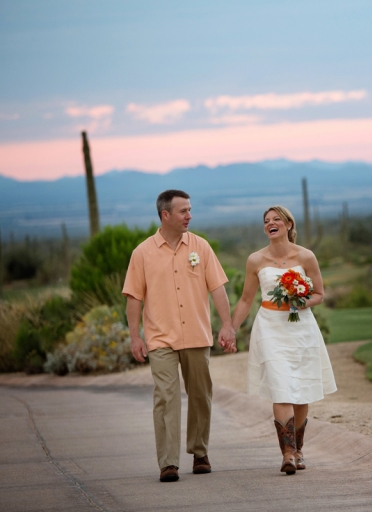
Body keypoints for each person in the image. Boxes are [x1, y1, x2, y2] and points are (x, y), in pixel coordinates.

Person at [123, 189, 237, 483]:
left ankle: (200, 453)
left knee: (201, 396)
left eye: (189, 210)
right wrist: (135, 336)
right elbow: (134, 298)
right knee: (165, 398)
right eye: (183, 211)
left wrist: (227, 325)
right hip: (160, 338)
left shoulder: (201, 246)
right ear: (165, 215)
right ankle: (168, 463)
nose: (190, 215)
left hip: (197, 335)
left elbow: (218, 288)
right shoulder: (142, 253)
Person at [230, 205, 336, 474]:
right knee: (281, 386)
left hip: (301, 328)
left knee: (300, 390)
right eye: (266, 221)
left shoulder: (306, 256)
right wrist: (230, 329)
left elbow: (319, 294)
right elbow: (245, 299)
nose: (270, 223)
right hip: (270, 328)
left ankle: (299, 449)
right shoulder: (255, 260)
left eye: (276, 219)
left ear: (289, 224)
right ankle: (287, 453)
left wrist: (301, 301)